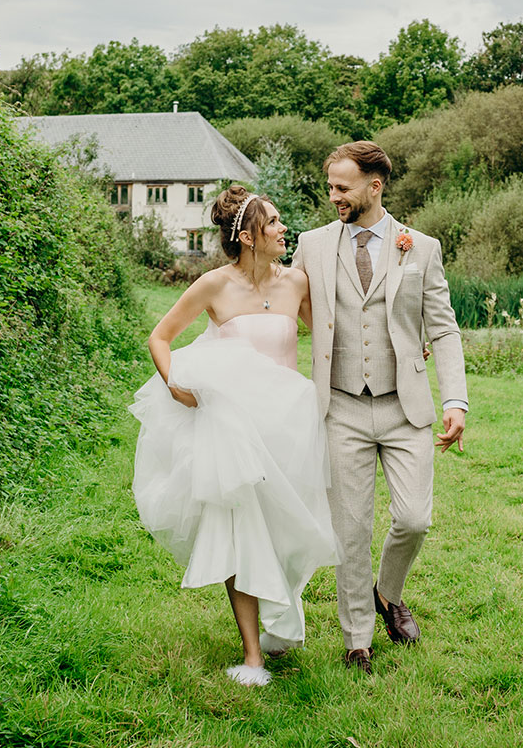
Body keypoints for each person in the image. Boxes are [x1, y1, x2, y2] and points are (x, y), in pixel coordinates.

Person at [129, 186, 340, 687]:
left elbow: (334, 339)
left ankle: (281, 618)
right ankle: (252, 657)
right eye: (273, 223)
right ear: (247, 236)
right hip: (233, 428)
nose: (283, 229)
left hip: (289, 422)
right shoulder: (214, 285)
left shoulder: (297, 283)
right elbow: (160, 337)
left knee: (290, 529)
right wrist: (175, 386)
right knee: (237, 530)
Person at [290, 141, 468, 675]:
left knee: (413, 519)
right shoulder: (312, 245)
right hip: (339, 405)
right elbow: (286, 301)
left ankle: (388, 595)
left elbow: (442, 326)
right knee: (350, 530)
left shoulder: (422, 247)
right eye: (330, 188)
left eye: (342, 188)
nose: (334, 197)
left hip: (404, 407)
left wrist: (455, 398)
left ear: (375, 186)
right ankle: (357, 639)